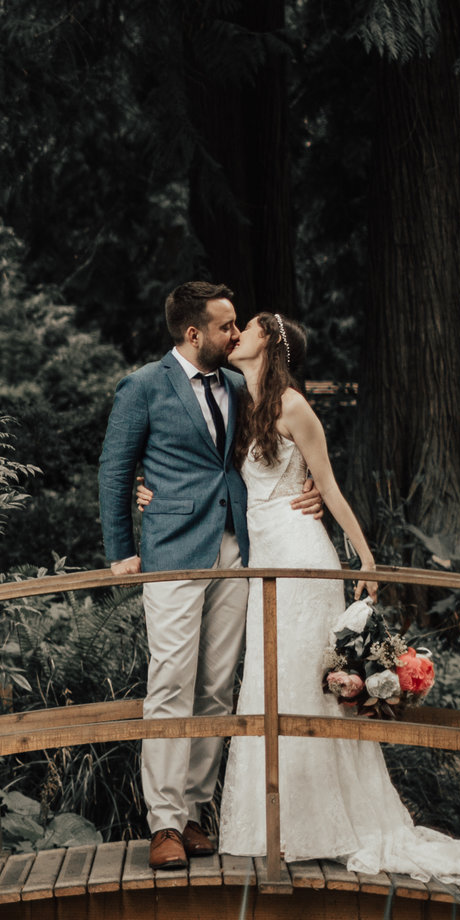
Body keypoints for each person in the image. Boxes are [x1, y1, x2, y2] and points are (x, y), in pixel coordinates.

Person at [197, 312, 460, 889]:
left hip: (302, 556)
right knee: (266, 679)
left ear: (270, 343)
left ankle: (317, 826)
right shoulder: (238, 397)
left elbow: (326, 485)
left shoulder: (295, 407)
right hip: (263, 559)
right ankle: (268, 826)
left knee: (306, 680)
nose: (237, 335)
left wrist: (366, 557)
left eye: (248, 327)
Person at [97, 281, 277, 871]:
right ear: (193, 332)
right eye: (226, 326)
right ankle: (164, 823)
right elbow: (115, 469)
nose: (234, 334)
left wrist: (309, 490)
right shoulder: (144, 386)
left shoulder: (237, 384)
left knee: (217, 685)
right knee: (171, 683)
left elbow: (276, 443)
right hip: (172, 551)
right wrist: (122, 549)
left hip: (233, 545)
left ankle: (198, 813)